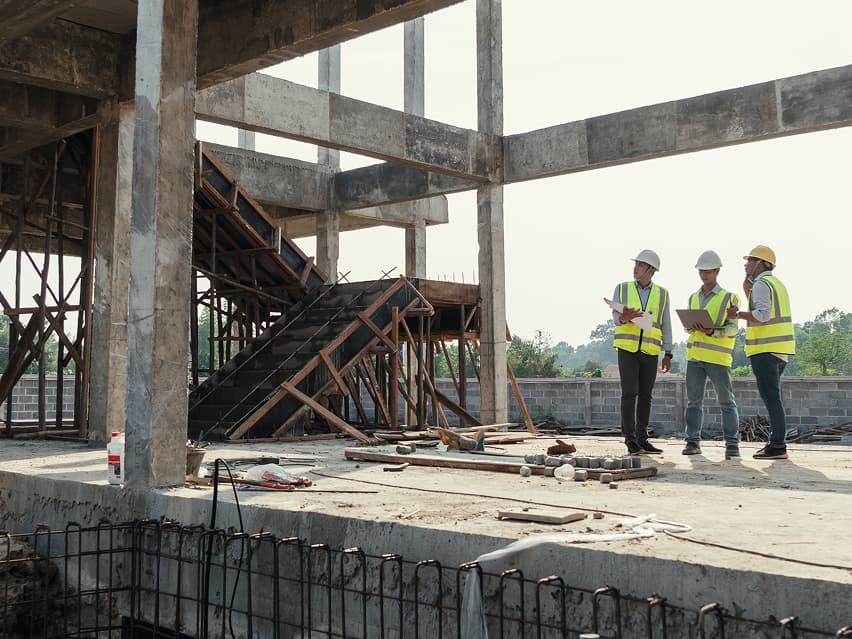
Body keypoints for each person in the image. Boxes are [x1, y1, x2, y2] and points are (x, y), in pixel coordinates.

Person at [727, 245, 795, 460]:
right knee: (774, 398)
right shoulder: (776, 284)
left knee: (772, 399)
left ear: (760, 263)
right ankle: (777, 444)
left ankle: (777, 446)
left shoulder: (762, 284)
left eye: (749, 260)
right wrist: (748, 289)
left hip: (765, 349)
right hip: (780, 350)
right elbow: (767, 309)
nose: (745, 264)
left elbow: (763, 314)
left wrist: (737, 314)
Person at [612, 250, 672, 455]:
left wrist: (669, 352)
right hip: (627, 349)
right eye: (635, 264)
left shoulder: (662, 294)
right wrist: (625, 317)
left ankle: (642, 438)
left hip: (650, 350)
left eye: (640, 265)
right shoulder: (622, 288)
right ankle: (630, 439)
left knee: (646, 395)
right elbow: (615, 317)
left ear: (652, 270)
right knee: (629, 393)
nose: (635, 268)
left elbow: (666, 324)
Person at [681, 250, 741, 459]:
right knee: (693, 402)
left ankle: (732, 445)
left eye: (707, 271)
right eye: (701, 271)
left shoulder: (730, 298)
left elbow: (733, 329)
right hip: (695, 356)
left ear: (717, 271)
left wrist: (712, 331)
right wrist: (692, 327)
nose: (703, 275)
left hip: (718, 358)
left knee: (726, 402)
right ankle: (692, 442)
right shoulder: (693, 297)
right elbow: (690, 328)